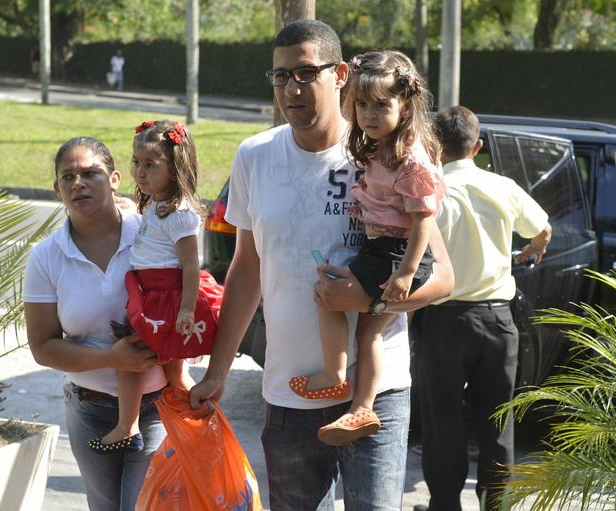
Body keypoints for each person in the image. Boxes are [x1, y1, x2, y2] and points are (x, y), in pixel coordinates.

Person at [188, 19, 454, 510]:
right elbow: (245, 270)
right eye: (280, 76)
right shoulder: (254, 156)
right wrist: (218, 370)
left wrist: (369, 298)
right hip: (290, 393)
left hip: (375, 398)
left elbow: (442, 278)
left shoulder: (385, 153)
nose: (292, 88)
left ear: (342, 75)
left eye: (307, 73)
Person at [24, 137, 191, 511]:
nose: (77, 183)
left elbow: (185, 294)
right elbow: (43, 347)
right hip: (87, 410)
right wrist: (113, 359)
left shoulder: (150, 232)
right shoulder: (45, 257)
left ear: (115, 179)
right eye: (67, 177)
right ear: (57, 189)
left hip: (155, 407)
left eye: (90, 174)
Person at [288, 49, 444, 447]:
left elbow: (423, 221)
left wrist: (406, 273)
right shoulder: (382, 148)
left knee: (328, 293)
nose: (369, 114)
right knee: (370, 335)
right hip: (385, 250)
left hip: (396, 253)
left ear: (405, 107)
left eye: (381, 105)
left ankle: (334, 374)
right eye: (361, 104)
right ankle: (362, 406)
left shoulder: (411, 160)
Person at [416, 106, 552, 511]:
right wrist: (532, 249)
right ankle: (497, 505)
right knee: (497, 422)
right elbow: (543, 229)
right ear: (476, 146)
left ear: (434, 146)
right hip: (497, 320)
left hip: (442, 319)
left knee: (442, 422)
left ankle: (444, 505)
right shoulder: (502, 186)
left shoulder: (428, 188)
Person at [89, 119, 223, 454]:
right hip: (150, 292)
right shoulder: (154, 204)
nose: (140, 171)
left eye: (150, 164)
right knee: (172, 373)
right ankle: (202, 417)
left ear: (175, 167)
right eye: (136, 162)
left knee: (132, 354)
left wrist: (187, 309)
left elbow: (191, 265)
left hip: (167, 297)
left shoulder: (179, 214)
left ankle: (127, 426)